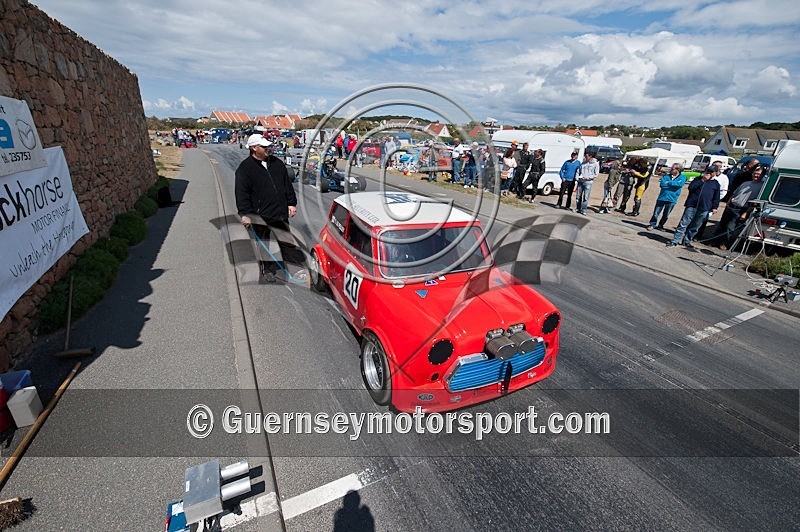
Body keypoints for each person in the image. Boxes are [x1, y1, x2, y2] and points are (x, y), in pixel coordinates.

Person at [235, 134, 302, 283]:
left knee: (287, 243)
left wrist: (291, 203)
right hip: (260, 215)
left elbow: (287, 185)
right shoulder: (245, 169)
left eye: (267, 146)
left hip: (279, 213)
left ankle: (295, 271)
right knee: (263, 245)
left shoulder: (277, 163)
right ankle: (267, 270)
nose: (268, 149)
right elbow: (241, 194)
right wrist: (245, 214)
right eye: (264, 147)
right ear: (254, 148)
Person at [711, 165, 764, 250]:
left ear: (762, 176)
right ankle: (716, 241)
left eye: (758, 174)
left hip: (742, 209)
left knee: (730, 228)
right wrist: (728, 203)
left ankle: (726, 244)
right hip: (731, 206)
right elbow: (734, 194)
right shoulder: (745, 183)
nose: (756, 175)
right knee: (722, 225)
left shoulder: (761, 187)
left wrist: (746, 213)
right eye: (755, 173)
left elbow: (755, 203)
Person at [667, 166, 720, 249]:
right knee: (683, 223)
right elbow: (691, 188)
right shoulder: (698, 179)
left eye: (711, 172)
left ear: (715, 173)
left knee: (696, 226)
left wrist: (714, 207)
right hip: (692, 205)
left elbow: (716, 197)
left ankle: (687, 241)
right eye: (708, 171)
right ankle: (675, 240)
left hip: (704, 207)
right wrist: (702, 180)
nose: (709, 173)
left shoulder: (716, 184)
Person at [694, 161, 728, 241]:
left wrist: (715, 200)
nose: (716, 167)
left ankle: (698, 235)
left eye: (718, 166)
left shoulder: (724, 178)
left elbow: (723, 191)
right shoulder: (705, 175)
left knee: (704, 219)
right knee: (695, 218)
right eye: (714, 165)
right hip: (701, 201)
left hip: (711, 202)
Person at [647, 163, 686, 230]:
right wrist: (672, 185)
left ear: (678, 170)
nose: (671, 170)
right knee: (656, 213)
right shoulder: (666, 176)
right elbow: (662, 185)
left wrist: (669, 183)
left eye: (673, 169)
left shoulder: (682, 177)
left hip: (672, 199)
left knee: (666, 214)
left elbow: (679, 185)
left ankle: (661, 225)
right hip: (662, 197)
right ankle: (652, 224)